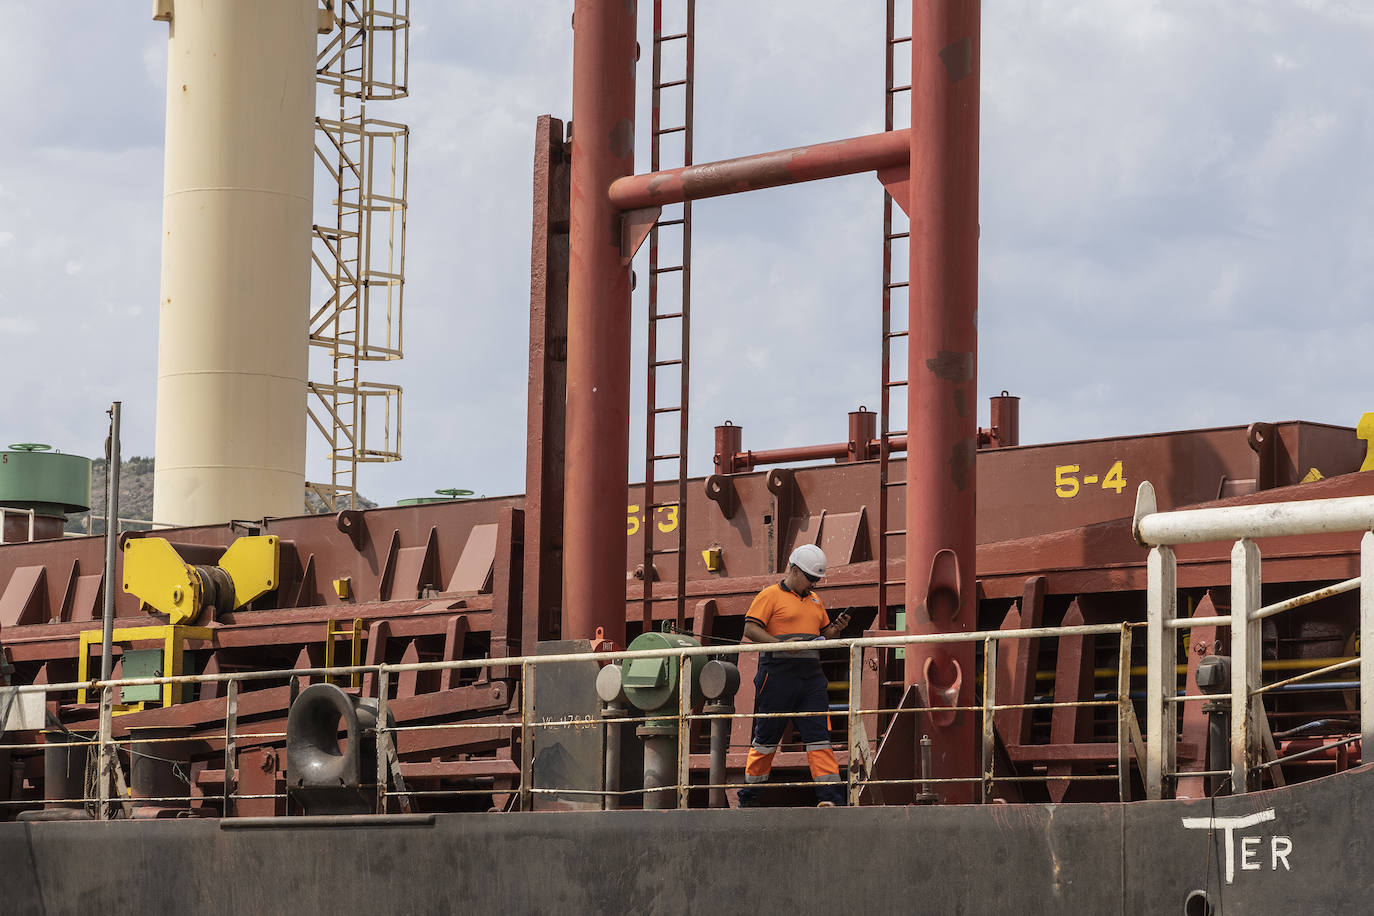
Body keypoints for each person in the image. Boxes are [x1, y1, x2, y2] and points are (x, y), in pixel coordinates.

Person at [738, 543, 851, 808]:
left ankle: (830, 799)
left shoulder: (815, 601)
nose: (813, 584)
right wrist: (782, 646)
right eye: (811, 578)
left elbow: (826, 635)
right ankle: (749, 799)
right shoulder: (769, 596)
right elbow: (750, 629)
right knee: (766, 740)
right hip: (777, 676)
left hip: (811, 678)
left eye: (816, 580)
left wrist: (837, 628)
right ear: (795, 570)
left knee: (819, 739)